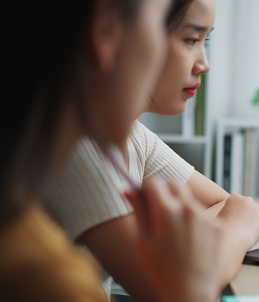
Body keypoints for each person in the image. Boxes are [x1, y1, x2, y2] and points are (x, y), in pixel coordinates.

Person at [2, 0, 241, 301]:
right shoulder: (47, 278)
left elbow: (229, 205)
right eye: (159, 24)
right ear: (105, 31)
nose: (204, 64)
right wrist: (193, 285)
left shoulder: (131, 136)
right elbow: (161, 288)